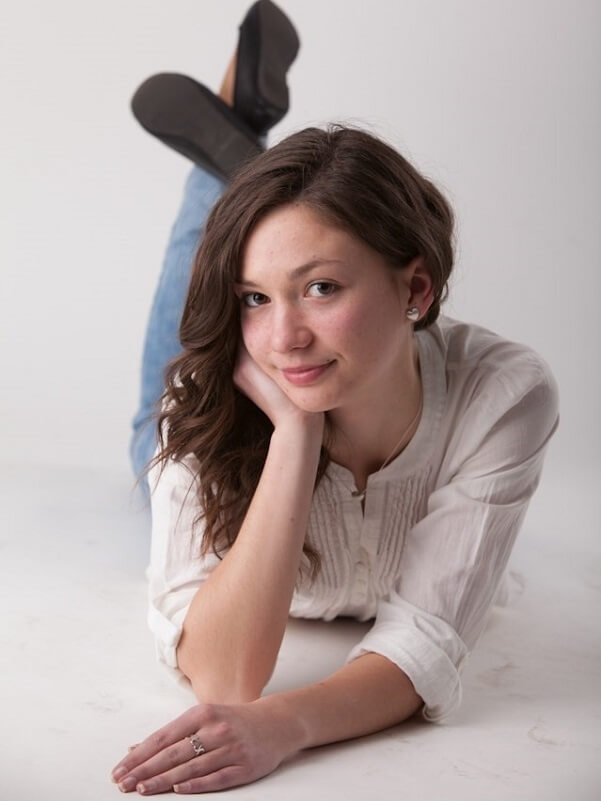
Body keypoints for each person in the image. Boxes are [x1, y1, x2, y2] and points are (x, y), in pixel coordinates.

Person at [112, 1, 559, 795]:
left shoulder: (500, 395)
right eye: (255, 298)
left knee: (238, 252)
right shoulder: (208, 394)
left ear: (414, 287)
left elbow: (425, 641)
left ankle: (240, 152)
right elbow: (221, 674)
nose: (283, 337)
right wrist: (294, 434)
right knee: (164, 382)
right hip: (212, 411)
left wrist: (287, 723)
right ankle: (229, 171)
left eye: (320, 287)